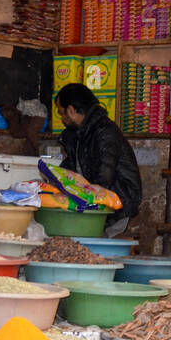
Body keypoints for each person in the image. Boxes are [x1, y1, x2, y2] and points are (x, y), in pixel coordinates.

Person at [55, 83, 142, 236]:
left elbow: (104, 179)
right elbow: (70, 166)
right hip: (94, 200)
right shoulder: (78, 133)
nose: (62, 119)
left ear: (71, 110)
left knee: (92, 246)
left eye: (62, 113)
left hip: (117, 204)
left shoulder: (105, 132)